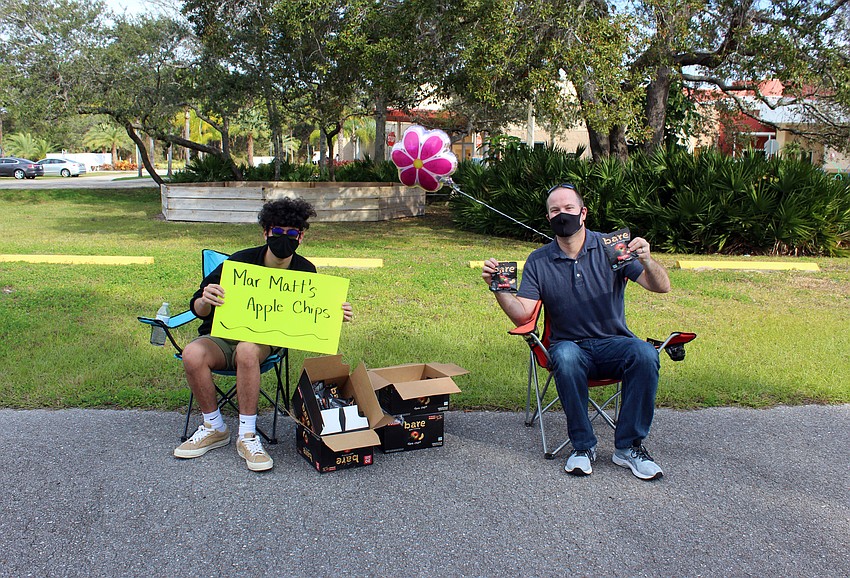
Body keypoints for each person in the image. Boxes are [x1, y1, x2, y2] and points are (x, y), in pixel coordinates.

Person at [482, 183, 671, 480]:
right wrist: (498, 288)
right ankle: (583, 447)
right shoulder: (539, 260)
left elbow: (661, 286)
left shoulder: (612, 248)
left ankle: (629, 448)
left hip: (613, 343)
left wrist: (647, 259)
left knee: (645, 354)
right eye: (555, 210)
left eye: (568, 208)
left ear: (583, 213)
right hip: (568, 345)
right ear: (548, 218)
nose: (562, 215)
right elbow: (522, 314)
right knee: (567, 357)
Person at [173, 197, 353, 472]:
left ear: (301, 237)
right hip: (222, 336)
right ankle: (214, 427)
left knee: (247, 350)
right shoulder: (240, 263)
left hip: (264, 341)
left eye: (291, 233)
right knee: (192, 353)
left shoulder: (306, 270)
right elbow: (198, 308)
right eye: (277, 232)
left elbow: (308, 318)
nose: (284, 238)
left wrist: (332, 314)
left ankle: (247, 435)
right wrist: (206, 300)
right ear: (266, 232)